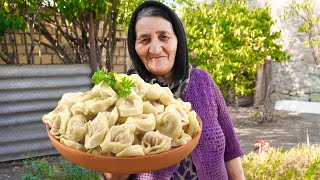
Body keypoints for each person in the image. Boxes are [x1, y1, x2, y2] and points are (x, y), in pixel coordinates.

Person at [105, 1, 245, 179]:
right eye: (144, 39)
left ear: (178, 39)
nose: (155, 49)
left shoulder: (203, 83)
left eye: (164, 37)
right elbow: (112, 176)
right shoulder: (124, 96)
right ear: (135, 46)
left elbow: (231, 152)